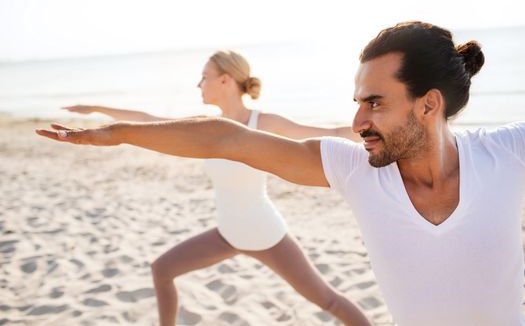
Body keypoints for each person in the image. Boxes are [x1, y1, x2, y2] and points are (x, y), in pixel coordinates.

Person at [36, 21, 525, 326]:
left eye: (374, 103)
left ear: (429, 104)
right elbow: (225, 138)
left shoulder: (507, 154)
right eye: (357, 104)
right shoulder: (354, 170)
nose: (358, 123)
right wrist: (115, 133)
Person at [56, 50, 371, 326]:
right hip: (227, 233)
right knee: (162, 270)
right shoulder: (208, 128)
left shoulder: (264, 122)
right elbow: (147, 119)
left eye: (204, 77)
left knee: (328, 301)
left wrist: (375, 127)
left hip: (266, 234)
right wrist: (96, 109)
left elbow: (331, 132)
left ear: (225, 81)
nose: (199, 84)